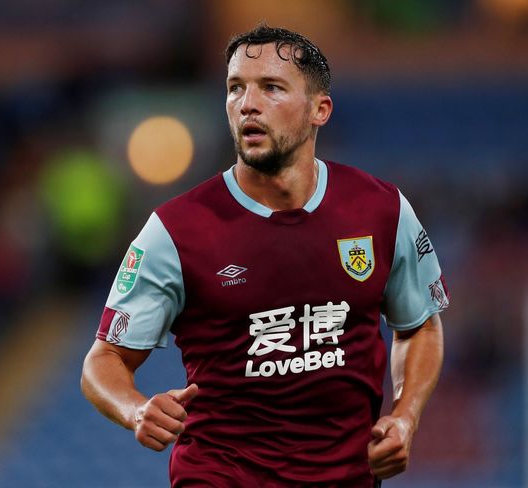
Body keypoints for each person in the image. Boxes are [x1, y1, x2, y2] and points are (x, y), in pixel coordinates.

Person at [81, 24, 448, 487]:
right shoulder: (175, 230)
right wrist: (136, 410)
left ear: (320, 109)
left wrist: (405, 414)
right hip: (222, 476)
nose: (247, 104)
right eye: (236, 88)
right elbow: (103, 359)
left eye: (271, 87)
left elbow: (420, 326)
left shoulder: (381, 210)